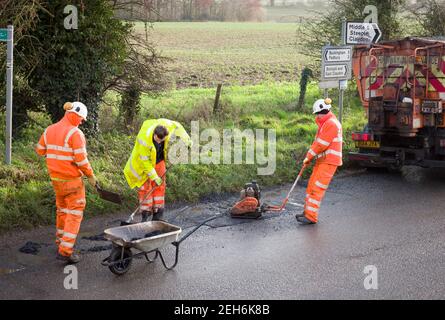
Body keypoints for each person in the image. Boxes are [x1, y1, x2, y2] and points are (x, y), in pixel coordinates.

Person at [36, 102, 97, 264]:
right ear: (73, 114)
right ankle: (65, 251)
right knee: (74, 213)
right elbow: (81, 161)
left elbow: (40, 150)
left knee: (62, 210)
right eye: (81, 119)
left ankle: (60, 242)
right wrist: (90, 176)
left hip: (56, 180)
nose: (82, 122)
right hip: (72, 182)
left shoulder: (49, 130)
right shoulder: (75, 134)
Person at [124, 119, 191, 222]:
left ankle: (158, 216)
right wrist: (154, 177)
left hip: (159, 161)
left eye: (163, 140)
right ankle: (145, 216)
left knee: (160, 187)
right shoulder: (144, 140)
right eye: (158, 140)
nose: (160, 142)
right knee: (146, 188)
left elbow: (178, 126)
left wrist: (187, 141)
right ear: (155, 135)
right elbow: (146, 163)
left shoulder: (167, 127)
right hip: (144, 164)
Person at [295, 98, 343, 225]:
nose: (317, 116)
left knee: (316, 188)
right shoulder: (325, 124)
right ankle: (307, 212)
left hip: (329, 162)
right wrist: (309, 157)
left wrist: (308, 157)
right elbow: (317, 144)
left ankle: (311, 217)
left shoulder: (331, 124)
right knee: (311, 185)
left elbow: (321, 144)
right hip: (322, 161)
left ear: (323, 111)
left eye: (318, 114)